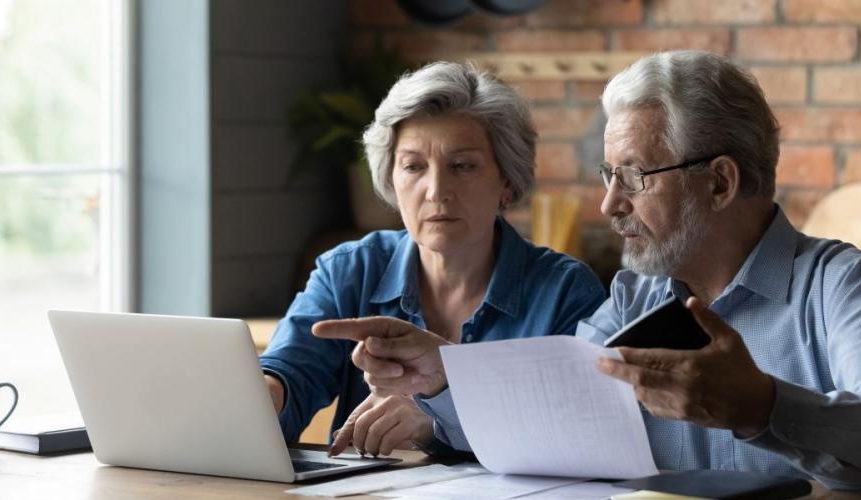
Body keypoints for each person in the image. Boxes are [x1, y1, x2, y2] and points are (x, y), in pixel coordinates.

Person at [321, 51, 861, 490]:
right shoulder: (634, 296)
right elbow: (554, 410)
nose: (609, 205)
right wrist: (444, 376)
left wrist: (763, 406)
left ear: (721, 181)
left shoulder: (845, 285)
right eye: (608, 176)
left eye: (635, 178)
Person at [259, 61, 606, 458]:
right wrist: (267, 396)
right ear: (391, 180)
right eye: (413, 167)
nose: (436, 190)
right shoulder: (349, 271)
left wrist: (439, 421)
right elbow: (291, 372)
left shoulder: (566, 292)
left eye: (462, 166)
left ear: (507, 182)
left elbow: (579, 433)